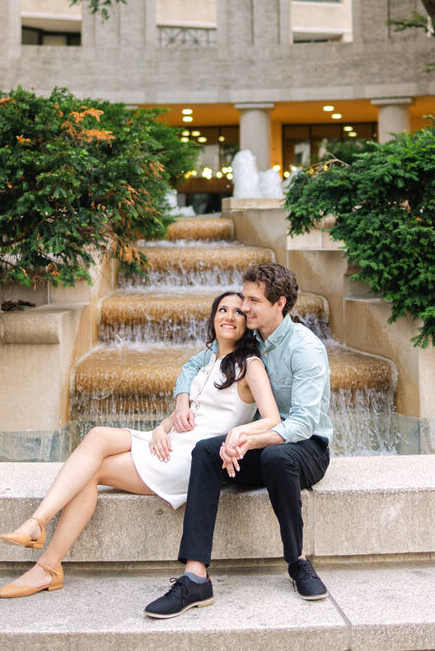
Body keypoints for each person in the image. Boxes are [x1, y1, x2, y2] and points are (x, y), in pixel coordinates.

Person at [0, 290, 280, 599]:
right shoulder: (209, 360)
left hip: (191, 460)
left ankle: (45, 556)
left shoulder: (251, 366)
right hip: (171, 443)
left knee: (92, 470)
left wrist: (236, 436)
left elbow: (273, 419)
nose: (228, 316)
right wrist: (161, 427)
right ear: (213, 319)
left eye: (238, 312)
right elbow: (189, 412)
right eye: (222, 309)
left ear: (247, 323)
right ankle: (39, 537)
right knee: (96, 438)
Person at [143, 262, 332, 619]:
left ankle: (298, 561)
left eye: (253, 300)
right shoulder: (251, 337)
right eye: (243, 297)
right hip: (254, 440)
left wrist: (247, 440)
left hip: (307, 447)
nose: (244, 307)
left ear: (280, 303)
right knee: (204, 451)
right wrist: (182, 400)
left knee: (279, 459)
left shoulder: (305, 348)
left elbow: (304, 424)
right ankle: (195, 576)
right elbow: (193, 364)